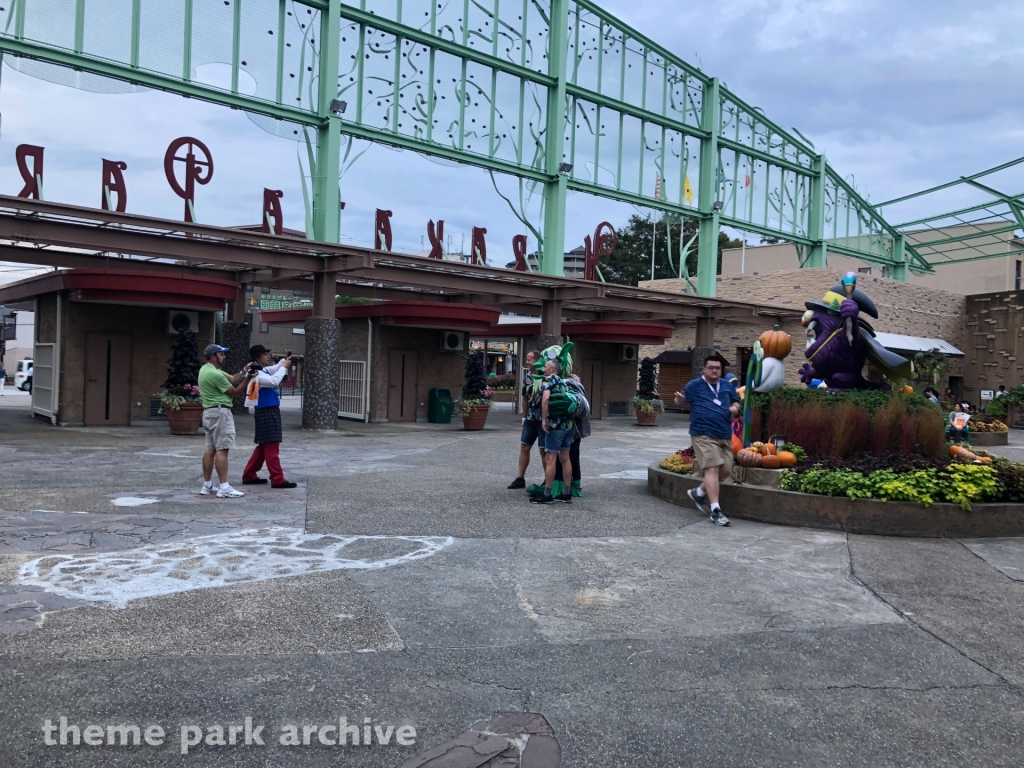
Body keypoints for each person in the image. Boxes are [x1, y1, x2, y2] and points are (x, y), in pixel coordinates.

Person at [674, 355, 741, 526]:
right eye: (711, 367)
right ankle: (715, 510)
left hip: (724, 434)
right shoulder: (694, 386)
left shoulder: (726, 385)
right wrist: (679, 400)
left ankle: (699, 492)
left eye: (717, 368)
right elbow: (679, 400)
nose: (715, 371)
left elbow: (736, 402)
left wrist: (734, 407)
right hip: (702, 433)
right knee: (712, 469)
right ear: (704, 369)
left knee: (725, 471)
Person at [198, 343, 257, 498]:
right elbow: (235, 391)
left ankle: (207, 485)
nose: (224, 356)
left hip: (209, 413)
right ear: (213, 356)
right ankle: (224, 487)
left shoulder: (207, 369)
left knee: (210, 449)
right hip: (220, 413)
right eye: (221, 354)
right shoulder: (215, 375)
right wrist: (249, 378)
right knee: (222, 450)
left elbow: (232, 378)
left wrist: (245, 370)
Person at [242, 345, 298, 489]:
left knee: (263, 446)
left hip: (264, 410)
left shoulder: (262, 370)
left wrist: (284, 361)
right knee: (272, 446)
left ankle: (249, 474)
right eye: (264, 354)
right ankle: (277, 478)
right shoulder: (258, 374)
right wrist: (284, 366)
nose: (268, 356)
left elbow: (275, 369)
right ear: (257, 358)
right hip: (268, 411)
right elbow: (274, 381)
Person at [530, 351, 575, 505]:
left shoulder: (548, 382)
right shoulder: (565, 383)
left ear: (553, 369)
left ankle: (547, 494)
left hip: (555, 426)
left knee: (550, 460)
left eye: (546, 367)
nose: (543, 369)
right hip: (568, 426)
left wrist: (543, 419)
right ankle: (566, 493)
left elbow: (546, 398)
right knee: (565, 459)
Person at [551, 373, 591, 497]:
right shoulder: (576, 384)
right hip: (576, 429)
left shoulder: (565, 384)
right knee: (572, 458)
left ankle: (560, 488)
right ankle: (573, 487)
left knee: (563, 459)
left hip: (569, 428)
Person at [508, 350, 543, 490]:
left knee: (543, 451)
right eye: (527, 359)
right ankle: (520, 478)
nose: (527, 362)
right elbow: (524, 398)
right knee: (524, 447)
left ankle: (548, 480)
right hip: (530, 418)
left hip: (543, 419)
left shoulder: (546, 376)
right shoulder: (527, 377)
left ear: (537, 361)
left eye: (530, 359)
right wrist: (524, 415)